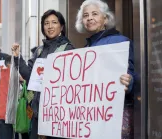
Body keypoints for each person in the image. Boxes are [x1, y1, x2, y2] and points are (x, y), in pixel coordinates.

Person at [75, 0, 135, 138]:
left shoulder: (120, 41)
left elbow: (133, 73)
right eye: (85, 15)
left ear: (105, 19)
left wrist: (129, 81)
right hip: (93, 116)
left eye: (95, 14)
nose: (89, 18)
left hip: (113, 113)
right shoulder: (85, 49)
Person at [12, 9, 74, 139]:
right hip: (37, 113)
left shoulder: (68, 49)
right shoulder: (39, 50)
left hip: (58, 116)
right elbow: (30, 77)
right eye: (46, 23)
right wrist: (18, 58)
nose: (50, 26)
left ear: (61, 26)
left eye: (54, 22)